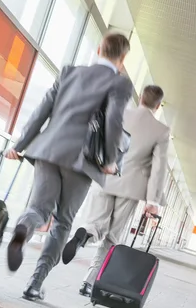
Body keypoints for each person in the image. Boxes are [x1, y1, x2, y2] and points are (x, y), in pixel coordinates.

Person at [3, 33, 134, 301]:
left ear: (99, 49)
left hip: (48, 150)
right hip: (81, 161)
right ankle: (35, 283)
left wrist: (19, 145)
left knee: (38, 209)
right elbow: (113, 122)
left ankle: (23, 230)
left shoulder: (69, 72)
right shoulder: (119, 83)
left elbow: (42, 110)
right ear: (122, 60)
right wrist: (109, 160)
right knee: (62, 221)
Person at [61, 85, 170, 297]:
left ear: (141, 99)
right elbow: (158, 168)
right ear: (157, 106)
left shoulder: (118, 114)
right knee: (111, 237)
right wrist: (152, 200)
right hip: (131, 188)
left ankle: (85, 236)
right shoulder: (161, 131)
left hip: (105, 177)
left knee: (96, 224)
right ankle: (89, 282)